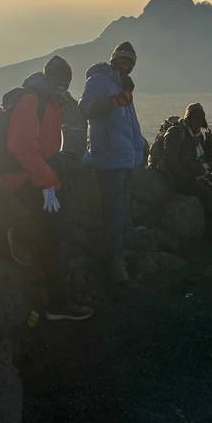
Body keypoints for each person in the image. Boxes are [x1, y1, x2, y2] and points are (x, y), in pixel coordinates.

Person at [4, 55, 93, 321]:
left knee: (56, 230)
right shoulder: (34, 101)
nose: (63, 87)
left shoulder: (49, 101)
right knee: (55, 236)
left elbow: (46, 146)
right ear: (50, 79)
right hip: (27, 179)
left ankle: (24, 238)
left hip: (38, 176)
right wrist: (48, 184)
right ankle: (58, 304)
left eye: (65, 82)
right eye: (60, 81)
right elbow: (22, 148)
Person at [79, 42, 145, 285]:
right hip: (108, 158)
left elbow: (131, 122)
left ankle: (117, 254)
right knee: (113, 213)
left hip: (124, 158)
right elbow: (84, 109)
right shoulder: (98, 80)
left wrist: (139, 148)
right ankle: (114, 263)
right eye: (122, 59)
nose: (126, 64)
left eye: (130, 61)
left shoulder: (123, 85)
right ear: (114, 59)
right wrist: (113, 102)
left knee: (120, 210)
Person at [160, 102, 212, 227]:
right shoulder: (176, 132)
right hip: (179, 178)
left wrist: (211, 144)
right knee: (204, 191)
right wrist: (189, 176)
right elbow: (171, 161)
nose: (199, 122)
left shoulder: (197, 135)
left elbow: (206, 159)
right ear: (189, 118)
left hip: (197, 173)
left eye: (201, 118)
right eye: (197, 118)